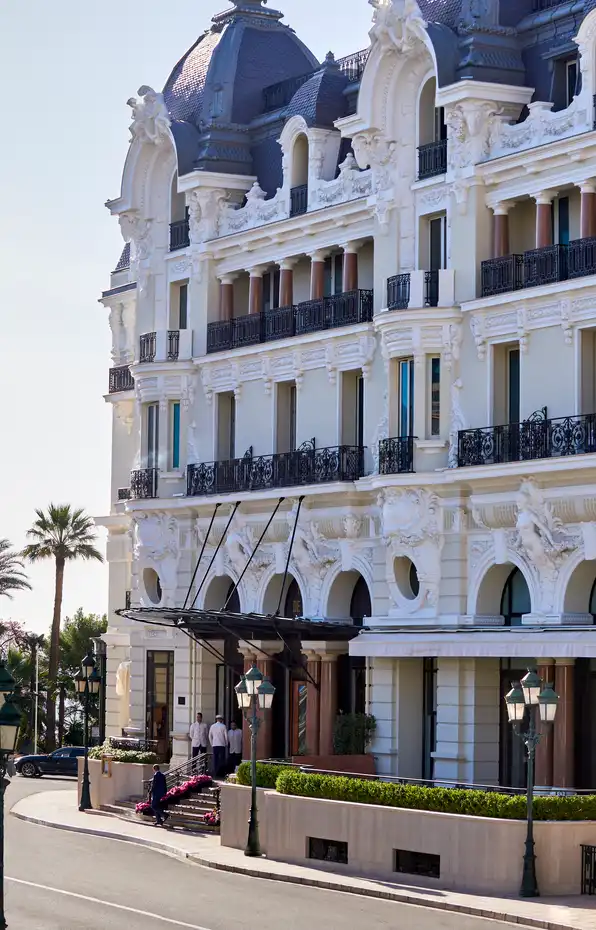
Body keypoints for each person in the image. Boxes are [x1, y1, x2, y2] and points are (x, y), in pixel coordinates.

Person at [209, 714, 228, 778]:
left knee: (215, 759)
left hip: (215, 745)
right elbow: (226, 736)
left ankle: (215, 773)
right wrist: (226, 743)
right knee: (222, 760)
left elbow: (210, 736)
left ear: (216, 719)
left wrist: (212, 744)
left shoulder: (212, 726)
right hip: (222, 745)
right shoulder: (223, 726)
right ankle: (221, 773)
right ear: (221, 719)